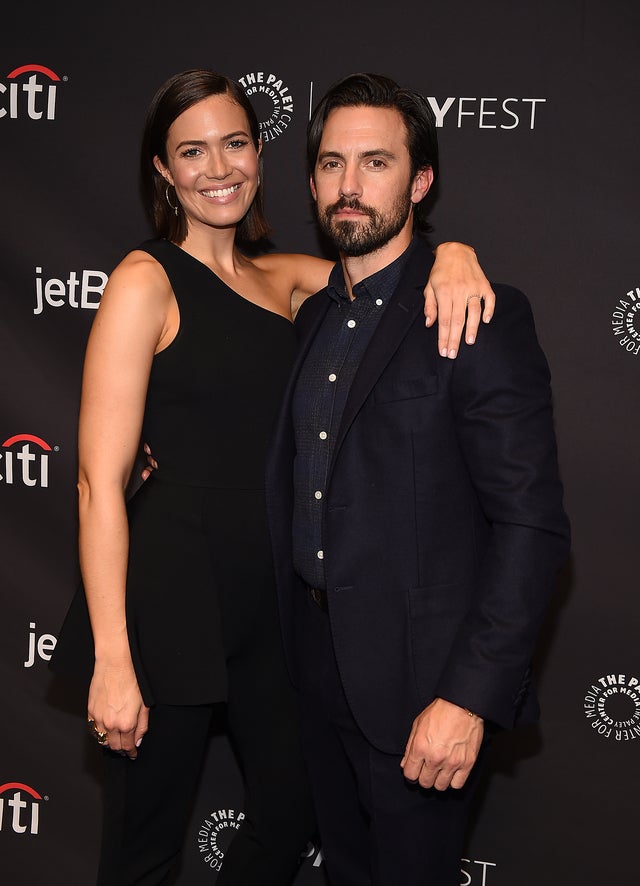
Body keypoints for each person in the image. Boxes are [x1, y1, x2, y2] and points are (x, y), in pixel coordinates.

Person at [50, 68, 495, 886]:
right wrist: (114, 657)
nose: (217, 168)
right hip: (171, 592)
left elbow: (389, 270)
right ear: (163, 170)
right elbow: (95, 483)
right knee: (144, 846)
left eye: (235, 143)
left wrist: (455, 253)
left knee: (290, 815)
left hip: (273, 601)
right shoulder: (143, 280)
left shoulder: (285, 277)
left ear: (259, 155)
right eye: (192, 151)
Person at [265, 72, 571, 886]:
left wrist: (468, 698)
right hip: (317, 669)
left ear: (420, 180)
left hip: (422, 689)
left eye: (376, 163)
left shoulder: (473, 314)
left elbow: (530, 527)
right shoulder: (314, 317)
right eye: (331, 164)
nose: (350, 187)